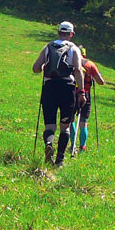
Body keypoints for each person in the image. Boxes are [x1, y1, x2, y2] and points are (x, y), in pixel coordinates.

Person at [32, 21, 84, 166]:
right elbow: (78, 70)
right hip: (67, 88)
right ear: (71, 34)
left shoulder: (48, 47)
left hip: (49, 87)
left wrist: (44, 66)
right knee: (65, 126)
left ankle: (49, 144)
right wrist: (81, 92)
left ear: (58, 32)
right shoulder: (73, 48)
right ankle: (60, 159)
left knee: (49, 125)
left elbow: (35, 68)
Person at [70, 45, 105, 155]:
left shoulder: (70, 63)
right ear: (84, 54)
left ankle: (72, 145)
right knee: (83, 122)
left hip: (72, 93)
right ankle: (82, 147)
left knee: (71, 120)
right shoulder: (90, 64)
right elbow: (101, 82)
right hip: (86, 94)